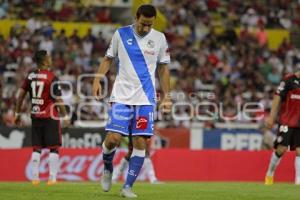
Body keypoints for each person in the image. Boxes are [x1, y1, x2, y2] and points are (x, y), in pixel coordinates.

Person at [92, 4, 171, 198]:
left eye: (149, 25)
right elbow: (108, 59)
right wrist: (97, 79)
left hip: (145, 99)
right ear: (136, 17)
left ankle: (127, 187)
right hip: (121, 96)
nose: (146, 28)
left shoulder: (159, 38)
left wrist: (167, 96)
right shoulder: (121, 33)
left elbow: (163, 69)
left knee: (140, 143)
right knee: (113, 139)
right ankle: (108, 168)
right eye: (143, 24)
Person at [14, 50, 70, 185]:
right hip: (50, 116)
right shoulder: (52, 77)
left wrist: (17, 113)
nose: (51, 59)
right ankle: (52, 178)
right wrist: (65, 115)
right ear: (45, 61)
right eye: (49, 57)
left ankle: (35, 177)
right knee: (54, 147)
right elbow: (58, 99)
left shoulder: (30, 76)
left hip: (35, 116)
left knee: (37, 148)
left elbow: (20, 95)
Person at [264, 70, 300, 185]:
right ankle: (270, 173)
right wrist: (271, 116)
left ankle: (298, 182)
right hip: (287, 121)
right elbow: (277, 98)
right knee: (281, 149)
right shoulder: (288, 80)